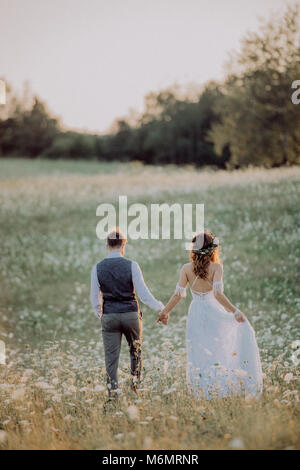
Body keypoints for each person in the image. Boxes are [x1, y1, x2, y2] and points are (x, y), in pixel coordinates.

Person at [157, 231, 263, 399]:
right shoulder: (216, 267)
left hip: (196, 313)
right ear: (212, 249)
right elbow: (218, 295)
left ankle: (203, 392)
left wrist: (164, 312)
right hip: (214, 312)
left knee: (199, 352)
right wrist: (234, 311)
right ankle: (220, 389)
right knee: (218, 349)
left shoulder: (186, 268)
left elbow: (178, 295)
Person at [90, 229, 164, 398]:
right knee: (136, 353)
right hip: (131, 314)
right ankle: (135, 389)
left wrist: (101, 314)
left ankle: (113, 395)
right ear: (124, 245)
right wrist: (161, 308)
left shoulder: (97, 268)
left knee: (111, 359)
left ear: (107, 245)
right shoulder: (132, 265)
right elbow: (143, 295)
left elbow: (95, 298)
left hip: (109, 315)